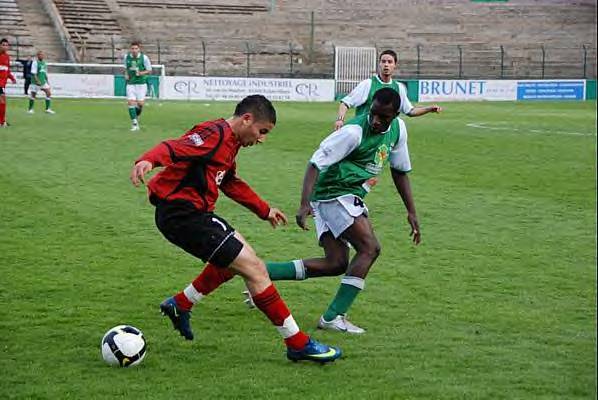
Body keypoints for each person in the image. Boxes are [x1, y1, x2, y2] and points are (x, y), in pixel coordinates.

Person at [130, 95, 342, 363]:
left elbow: (228, 181)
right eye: (262, 131)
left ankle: (181, 304)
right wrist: (148, 160)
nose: (262, 138)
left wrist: (264, 210)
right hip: (182, 215)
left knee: (238, 262)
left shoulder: (230, 143)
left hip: (196, 214)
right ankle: (297, 343)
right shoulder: (214, 133)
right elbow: (175, 147)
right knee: (254, 268)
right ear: (247, 119)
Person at [253, 88, 421, 334]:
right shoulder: (352, 132)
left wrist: (411, 211)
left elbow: (399, 170)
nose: (375, 120)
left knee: (336, 263)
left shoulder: (399, 130)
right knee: (369, 248)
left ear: (395, 115)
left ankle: (258, 273)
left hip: (346, 194)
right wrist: (304, 203)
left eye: (383, 117)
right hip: (334, 193)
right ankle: (333, 317)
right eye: (373, 113)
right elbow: (315, 163)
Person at [334, 49, 441, 130]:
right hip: (363, 131)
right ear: (379, 64)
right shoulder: (368, 84)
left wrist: (429, 109)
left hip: (384, 135)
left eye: (390, 62)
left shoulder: (399, 88)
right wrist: (340, 119)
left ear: (395, 65)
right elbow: (345, 103)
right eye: (383, 61)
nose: (386, 65)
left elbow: (410, 111)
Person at [124, 42, 151, 131]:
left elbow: (149, 70)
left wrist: (140, 73)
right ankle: (134, 124)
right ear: (130, 49)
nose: (134, 50)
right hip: (130, 84)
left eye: (136, 48)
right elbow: (125, 68)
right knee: (131, 102)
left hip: (141, 84)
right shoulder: (126, 57)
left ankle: (136, 116)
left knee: (140, 104)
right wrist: (126, 74)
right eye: (133, 48)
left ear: (139, 49)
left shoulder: (144, 58)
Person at [0, 38, 17, 128]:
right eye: (3, 45)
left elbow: (7, 70)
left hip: (3, 84)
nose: (5, 46)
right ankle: (2, 122)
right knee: (3, 101)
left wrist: (12, 78)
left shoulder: (7, 57)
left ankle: (2, 121)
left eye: (6, 45)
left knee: (2, 102)